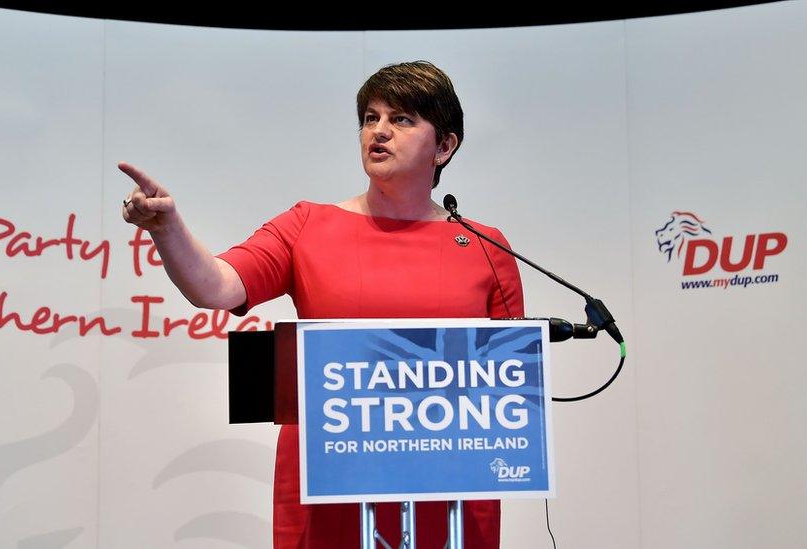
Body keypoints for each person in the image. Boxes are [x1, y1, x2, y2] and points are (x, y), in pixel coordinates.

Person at [120, 60, 523, 548]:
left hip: (450, 495)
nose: (379, 132)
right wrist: (167, 229)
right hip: (329, 484)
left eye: (401, 120)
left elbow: (510, 390)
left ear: (445, 146)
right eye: (370, 118)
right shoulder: (307, 225)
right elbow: (218, 286)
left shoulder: (485, 246)